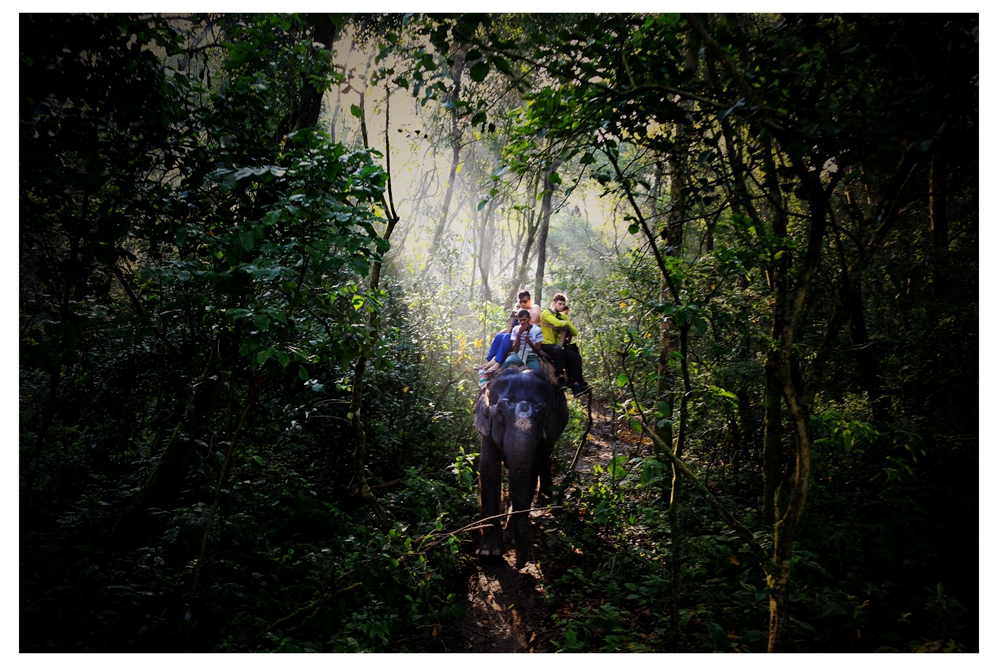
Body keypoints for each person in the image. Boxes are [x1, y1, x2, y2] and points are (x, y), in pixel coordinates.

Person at [540, 293, 590, 396]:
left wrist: (565, 322)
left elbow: (574, 332)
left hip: (557, 346)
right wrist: (564, 323)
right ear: (554, 303)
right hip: (546, 344)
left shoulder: (562, 315)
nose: (562, 306)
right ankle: (560, 377)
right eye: (560, 304)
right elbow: (558, 324)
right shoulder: (546, 313)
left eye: (563, 304)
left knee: (575, 356)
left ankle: (576, 384)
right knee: (557, 349)